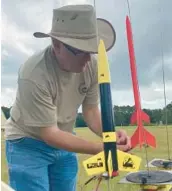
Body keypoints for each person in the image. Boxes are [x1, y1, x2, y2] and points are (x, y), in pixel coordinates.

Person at [4, 4, 131, 191]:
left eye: (91, 49)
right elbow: (50, 134)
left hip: (65, 141)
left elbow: (90, 110)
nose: (89, 58)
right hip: (27, 144)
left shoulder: (92, 66)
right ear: (56, 45)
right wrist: (100, 148)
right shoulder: (33, 74)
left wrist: (110, 135)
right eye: (81, 50)